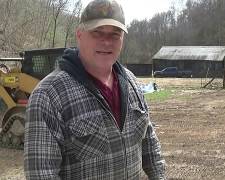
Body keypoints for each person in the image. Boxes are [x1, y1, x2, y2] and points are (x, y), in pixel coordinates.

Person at [24, 0, 165, 179]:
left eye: (115, 34)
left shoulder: (132, 83)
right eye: (97, 32)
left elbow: (150, 145)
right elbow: (41, 174)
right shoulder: (48, 96)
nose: (106, 42)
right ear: (79, 34)